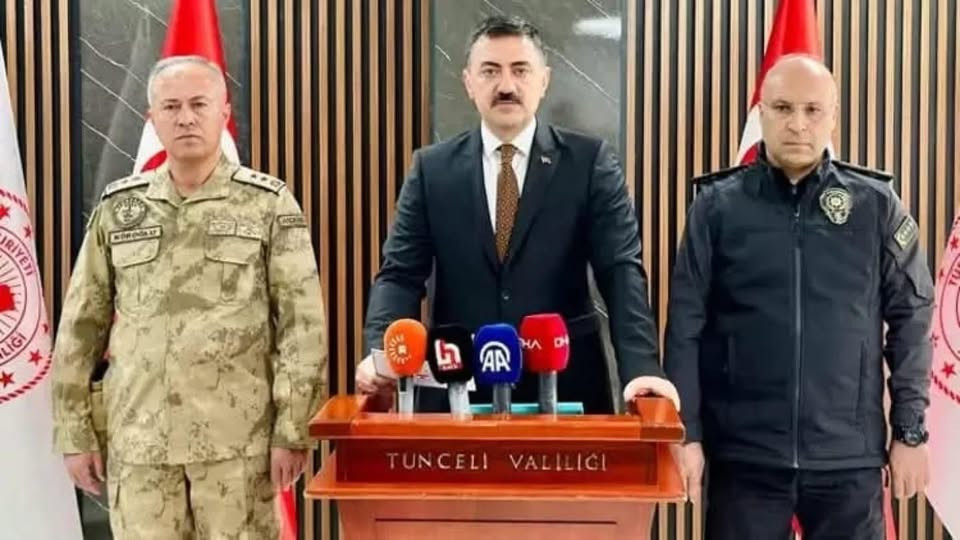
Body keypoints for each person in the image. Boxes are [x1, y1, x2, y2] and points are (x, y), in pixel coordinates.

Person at [51, 55, 328, 538]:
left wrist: (293, 431)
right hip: (141, 445)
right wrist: (75, 434)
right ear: (152, 118)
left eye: (199, 104)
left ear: (224, 112)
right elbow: (80, 327)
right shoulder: (121, 208)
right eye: (171, 106)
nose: (185, 118)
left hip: (236, 449)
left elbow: (302, 328)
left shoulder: (266, 204)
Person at [664, 54, 932, 539]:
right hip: (745, 459)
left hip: (847, 459)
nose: (798, 124)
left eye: (812, 110)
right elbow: (685, 325)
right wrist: (688, 434)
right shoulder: (717, 207)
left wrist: (910, 430)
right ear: (761, 112)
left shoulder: (874, 205)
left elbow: (912, 317)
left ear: (833, 116)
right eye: (783, 108)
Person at [355, 15, 678, 414]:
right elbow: (400, 275)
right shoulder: (432, 170)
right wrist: (381, 353)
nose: (506, 85)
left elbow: (620, 271)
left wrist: (642, 368)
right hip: (456, 388)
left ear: (544, 80)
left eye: (520, 70)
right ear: (468, 83)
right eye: (490, 71)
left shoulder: (588, 163)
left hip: (566, 388)